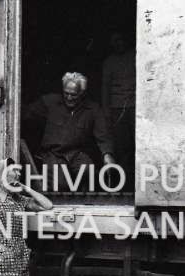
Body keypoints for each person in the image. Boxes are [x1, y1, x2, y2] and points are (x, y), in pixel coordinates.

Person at [24, 72, 116, 189]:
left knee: (90, 173)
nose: (68, 98)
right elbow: (25, 113)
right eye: (66, 93)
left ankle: (84, 204)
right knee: (61, 185)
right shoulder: (50, 102)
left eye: (73, 95)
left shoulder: (93, 109)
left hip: (77, 153)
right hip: (53, 153)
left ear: (82, 93)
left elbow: (103, 134)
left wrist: (107, 154)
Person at [100, 32, 136, 170]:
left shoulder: (135, 56)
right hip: (117, 108)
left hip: (134, 106)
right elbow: (105, 87)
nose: (118, 44)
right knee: (122, 144)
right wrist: (106, 109)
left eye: (120, 40)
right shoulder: (109, 62)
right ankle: (124, 177)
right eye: (114, 41)